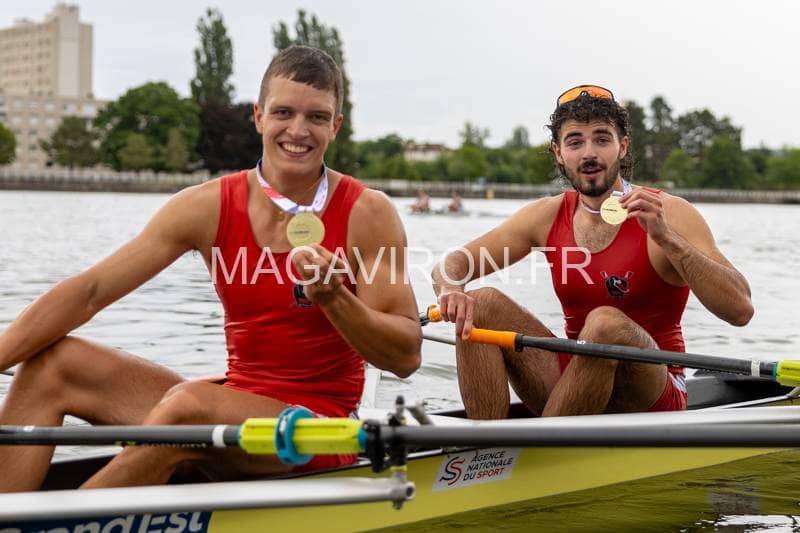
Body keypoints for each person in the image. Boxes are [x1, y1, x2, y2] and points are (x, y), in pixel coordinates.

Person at [0, 45, 422, 491]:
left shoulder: (369, 213)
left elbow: (405, 357)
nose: (298, 131)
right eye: (283, 112)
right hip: (229, 406)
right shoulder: (206, 206)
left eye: (316, 117)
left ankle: (76, 515)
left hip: (318, 428)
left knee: (188, 407)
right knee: (53, 363)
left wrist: (336, 299)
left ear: (335, 126)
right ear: (259, 117)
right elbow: (90, 292)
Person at [431, 84, 753, 419]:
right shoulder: (547, 215)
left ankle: (547, 446)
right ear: (558, 153)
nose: (589, 153)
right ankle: (484, 445)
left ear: (622, 147)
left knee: (604, 324)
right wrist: (451, 290)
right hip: (575, 380)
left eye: (601, 139)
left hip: (654, 391)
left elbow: (740, 310)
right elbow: (451, 263)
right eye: (575, 142)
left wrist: (667, 238)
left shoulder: (668, 211)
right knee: (480, 303)